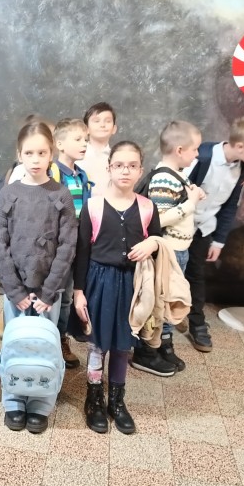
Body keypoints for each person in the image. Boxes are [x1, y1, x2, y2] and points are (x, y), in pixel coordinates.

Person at [0, 121, 77, 434]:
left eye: (42, 152)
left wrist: (49, 291)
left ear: (51, 153)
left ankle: (41, 402)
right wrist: (14, 291)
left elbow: (67, 246)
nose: (36, 159)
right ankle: (14, 399)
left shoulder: (61, 195)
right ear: (19, 154)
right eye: (29, 153)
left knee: (44, 346)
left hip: (47, 293)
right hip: (15, 291)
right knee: (15, 344)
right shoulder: (9, 194)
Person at [74, 141, 161, 435]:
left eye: (132, 165)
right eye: (119, 165)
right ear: (109, 168)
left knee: (123, 343)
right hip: (99, 282)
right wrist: (78, 292)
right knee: (98, 343)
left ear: (140, 170)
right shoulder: (93, 206)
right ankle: (94, 398)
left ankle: (117, 401)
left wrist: (153, 243)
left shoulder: (147, 207)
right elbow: (82, 251)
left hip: (132, 285)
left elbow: (158, 241)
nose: (125, 171)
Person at [182, 115, 244, 352]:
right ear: (241, 146)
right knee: (168, 274)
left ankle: (197, 322)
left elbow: (229, 206)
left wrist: (219, 240)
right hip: (178, 226)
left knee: (196, 276)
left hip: (203, 229)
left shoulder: (242, 168)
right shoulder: (202, 157)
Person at [131, 121, 204, 376]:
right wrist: (190, 203)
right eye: (195, 149)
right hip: (168, 251)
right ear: (180, 150)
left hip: (178, 250)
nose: (197, 154)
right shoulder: (164, 178)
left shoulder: (177, 176)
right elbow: (159, 218)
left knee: (170, 298)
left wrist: (192, 196)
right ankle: (147, 350)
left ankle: (164, 345)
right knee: (160, 301)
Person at [50, 117, 91, 368]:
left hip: (77, 245)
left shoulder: (81, 176)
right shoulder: (53, 173)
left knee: (67, 296)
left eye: (85, 139)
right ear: (60, 144)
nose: (84, 144)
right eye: (78, 139)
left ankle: (60, 338)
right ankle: (47, 340)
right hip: (57, 247)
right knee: (52, 295)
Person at [77, 102, 117, 196]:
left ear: (114, 129)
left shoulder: (117, 158)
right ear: (86, 128)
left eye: (108, 121)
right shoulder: (77, 156)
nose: (102, 125)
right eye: (96, 121)